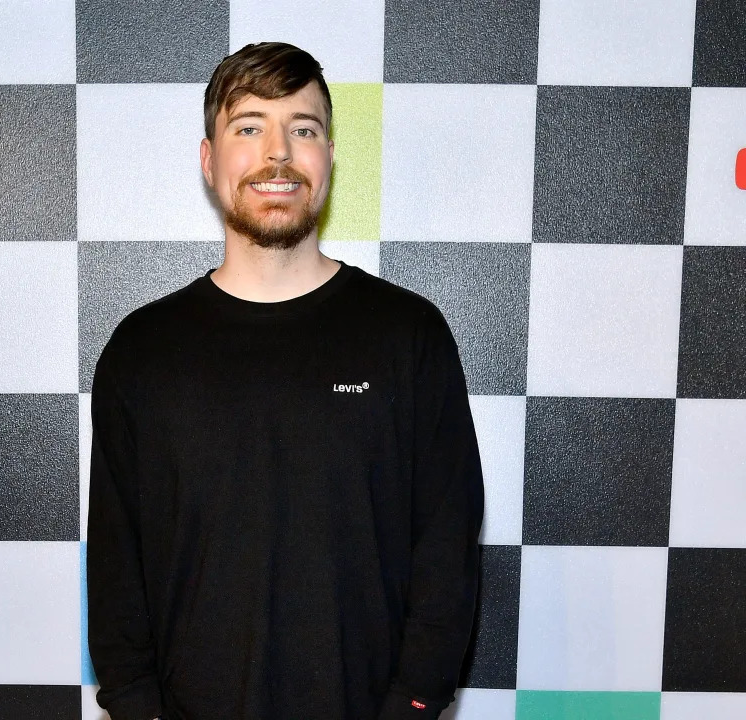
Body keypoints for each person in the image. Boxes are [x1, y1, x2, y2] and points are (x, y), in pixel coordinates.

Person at [86, 41, 485, 720]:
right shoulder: (143, 351)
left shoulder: (407, 335)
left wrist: (413, 702)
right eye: (249, 128)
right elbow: (118, 563)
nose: (278, 152)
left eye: (303, 129)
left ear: (328, 155)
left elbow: (447, 543)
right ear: (210, 159)